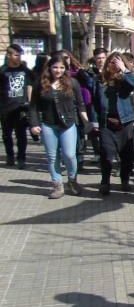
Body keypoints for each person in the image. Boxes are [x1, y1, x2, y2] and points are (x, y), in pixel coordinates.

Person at [28, 55, 87, 199]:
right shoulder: (40, 84)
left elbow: (80, 104)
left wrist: (86, 121)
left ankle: (72, 180)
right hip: (49, 124)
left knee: (69, 154)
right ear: (49, 68)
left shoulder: (72, 82)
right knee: (52, 156)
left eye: (61, 67)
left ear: (65, 69)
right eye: (55, 67)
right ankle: (57, 184)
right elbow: (33, 106)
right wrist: (34, 124)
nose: (58, 70)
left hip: (68, 124)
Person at [94, 52, 134, 196]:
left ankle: (125, 179)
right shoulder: (99, 80)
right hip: (107, 123)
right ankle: (105, 181)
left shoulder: (129, 79)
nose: (113, 65)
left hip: (126, 122)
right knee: (106, 154)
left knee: (127, 155)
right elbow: (95, 102)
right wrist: (96, 121)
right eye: (111, 62)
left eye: (117, 62)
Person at [1, 44, 34, 168]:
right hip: (5, 108)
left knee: (21, 135)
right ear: (9, 55)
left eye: (20, 55)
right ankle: (10, 156)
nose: (18, 57)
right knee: (7, 135)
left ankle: (21, 158)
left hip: (21, 107)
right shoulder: (3, 70)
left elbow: (30, 86)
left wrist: (30, 103)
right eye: (16, 55)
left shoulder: (25, 70)